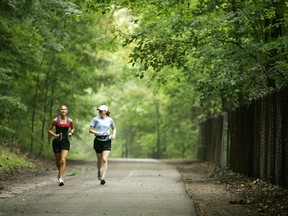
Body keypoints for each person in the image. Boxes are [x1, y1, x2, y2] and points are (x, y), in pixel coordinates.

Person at [47, 105, 75, 186]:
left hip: (65, 142)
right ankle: (60, 172)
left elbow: (73, 128)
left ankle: (61, 179)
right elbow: (49, 130)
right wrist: (55, 135)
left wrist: (71, 133)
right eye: (62, 109)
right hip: (56, 142)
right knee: (58, 161)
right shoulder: (55, 120)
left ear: (67, 111)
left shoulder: (70, 121)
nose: (63, 110)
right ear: (60, 111)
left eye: (65, 109)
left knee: (63, 160)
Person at [89, 105, 116, 185]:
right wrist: (98, 132)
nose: (100, 112)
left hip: (107, 140)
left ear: (105, 112)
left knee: (104, 159)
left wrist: (113, 134)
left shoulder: (110, 120)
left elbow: (114, 128)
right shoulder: (95, 119)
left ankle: (103, 177)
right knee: (99, 160)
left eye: (101, 111)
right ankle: (99, 170)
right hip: (98, 140)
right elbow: (90, 130)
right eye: (99, 111)